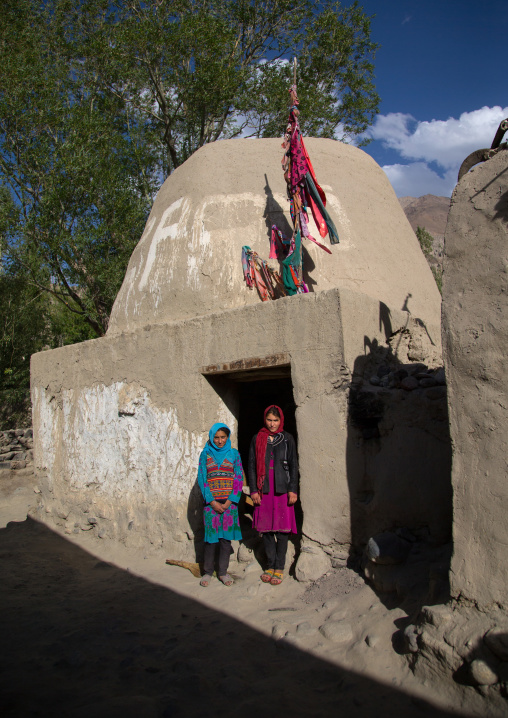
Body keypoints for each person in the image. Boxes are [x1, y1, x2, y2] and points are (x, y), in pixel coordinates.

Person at [248, 405, 298, 585]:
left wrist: (293, 489)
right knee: (267, 531)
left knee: (282, 531)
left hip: (283, 490)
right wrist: (253, 490)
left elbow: (293, 465)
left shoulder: (287, 439)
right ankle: (270, 565)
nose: (272, 424)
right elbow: (252, 465)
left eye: (275, 420)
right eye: (269, 420)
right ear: (265, 419)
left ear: (281, 420)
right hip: (264, 490)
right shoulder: (257, 438)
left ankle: (279, 567)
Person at [197, 422, 243, 587]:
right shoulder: (205, 454)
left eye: (223, 437)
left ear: (227, 437)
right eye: (216, 437)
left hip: (230, 506)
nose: (220, 441)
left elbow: (238, 478)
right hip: (211, 505)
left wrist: (229, 501)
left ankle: (222, 572)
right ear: (211, 437)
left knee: (225, 540)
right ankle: (208, 572)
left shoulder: (234, 454)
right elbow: (202, 479)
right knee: (211, 540)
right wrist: (213, 502)